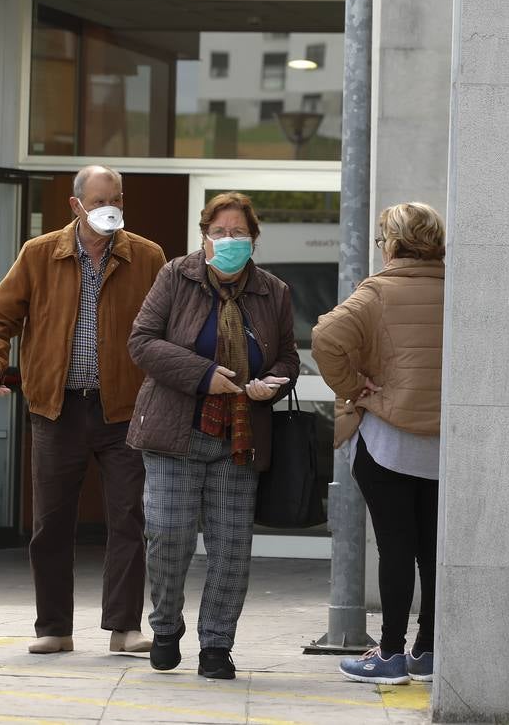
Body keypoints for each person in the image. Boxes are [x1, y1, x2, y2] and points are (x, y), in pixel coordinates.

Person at [0, 165, 166, 655]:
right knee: (52, 522)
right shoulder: (39, 254)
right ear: (75, 205)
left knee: (128, 519)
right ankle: (54, 628)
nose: (111, 209)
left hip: (123, 410)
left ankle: (124, 628)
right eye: (101, 199)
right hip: (56, 408)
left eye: (117, 199)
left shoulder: (147, 257)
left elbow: (168, 327)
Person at [127, 191, 300, 680]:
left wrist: (273, 382)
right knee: (167, 537)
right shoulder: (175, 276)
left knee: (230, 548)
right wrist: (204, 375)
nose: (229, 240)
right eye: (220, 232)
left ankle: (217, 646)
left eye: (239, 233)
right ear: (204, 237)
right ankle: (164, 627)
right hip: (174, 431)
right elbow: (142, 342)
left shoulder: (274, 291)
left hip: (239, 438)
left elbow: (288, 356)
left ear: (253, 239)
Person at [311, 202, 446, 686]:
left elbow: (325, 335)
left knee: (395, 548)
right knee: (433, 551)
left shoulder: (378, 291)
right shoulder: (458, 286)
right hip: (446, 444)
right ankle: (428, 652)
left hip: (390, 439)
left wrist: (354, 386)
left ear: (392, 243)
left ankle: (389, 655)